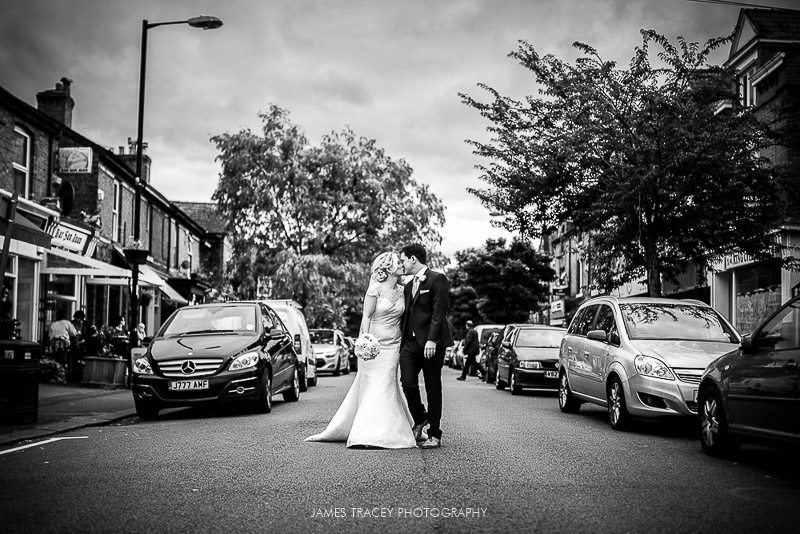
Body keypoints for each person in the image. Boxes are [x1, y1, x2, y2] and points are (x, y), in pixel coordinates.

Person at [306, 252, 417, 449]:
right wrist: (365, 341)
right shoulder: (374, 289)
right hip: (374, 345)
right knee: (374, 386)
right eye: (398, 263)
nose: (402, 265)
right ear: (388, 267)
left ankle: (388, 430)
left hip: (393, 346)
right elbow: (366, 317)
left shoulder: (404, 290)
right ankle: (367, 432)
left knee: (387, 385)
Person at [398, 243, 454, 449]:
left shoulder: (437, 279)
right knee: (408, 382)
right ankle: (421, 417)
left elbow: (438, 312)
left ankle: (435, 434)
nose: (402, 263)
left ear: (413, 259)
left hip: (432, 343)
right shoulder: (407, 286)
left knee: (432, 387)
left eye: (403, 259)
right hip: (410, 344)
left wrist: (431, 339)